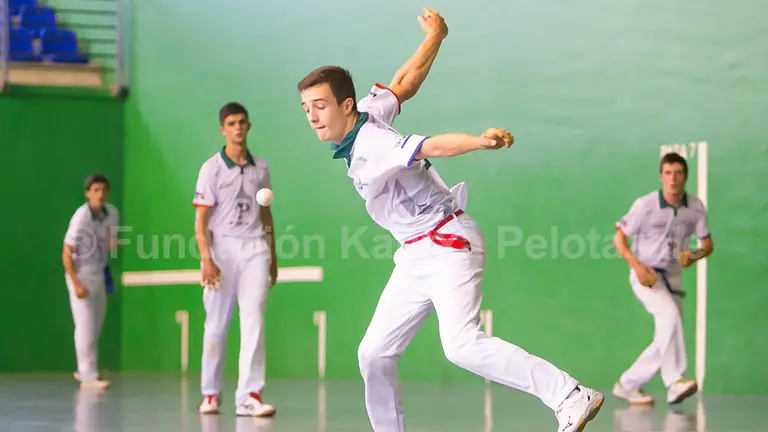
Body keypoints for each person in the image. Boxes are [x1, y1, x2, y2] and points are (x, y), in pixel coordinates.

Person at [296, 8, 603, 432]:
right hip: (415, 253)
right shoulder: (367, 112)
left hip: (446, 243)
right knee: (374, 353)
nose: (311, 115)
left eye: (320, 106)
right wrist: (435, 37)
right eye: (306, 107)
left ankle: (570, 395)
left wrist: (478, 142)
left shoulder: (372, 144)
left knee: (460, 345)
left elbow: (432, 147)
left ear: (344, 105)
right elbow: (404, 83)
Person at [192, 102, 278, 417]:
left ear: (249, 126)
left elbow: (266, 215)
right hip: (221, 251)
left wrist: (272, 257)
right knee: (216, 325)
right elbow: (201, 220)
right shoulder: (211, 168)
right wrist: (206, 259)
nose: (238, 127)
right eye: (231, 123)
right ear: (222, 129)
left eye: (242, 122)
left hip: (255, 247)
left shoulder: (262, 168)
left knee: (254, 318)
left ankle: (250, 395)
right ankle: (211, 394)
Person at [612, 151, 713, 406]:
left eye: (678, 174)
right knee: (669, 317)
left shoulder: (696, 207)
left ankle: (628, 384)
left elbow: (707, 245)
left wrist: (693, 256)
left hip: (673, 279)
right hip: (646, 274)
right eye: (668, 173)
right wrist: (637, 266)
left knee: (666, 335)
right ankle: (674, 382)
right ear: (661, 177)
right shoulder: (645, 205)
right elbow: (619, 238)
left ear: (685, 177)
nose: (673, 179)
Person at [63, 174, 118, 390]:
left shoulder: (112, 213)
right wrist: (76, 283)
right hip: (80, 275)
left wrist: (111, 243)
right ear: (87, 193)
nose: (100, 194)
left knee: (96, 325)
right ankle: (88, 375)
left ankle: (85, 368)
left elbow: (111, 240)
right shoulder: (81, 217)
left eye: (103, 190)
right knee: (85, 326)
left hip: (99, 274)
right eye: (95, 190)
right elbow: (66, 253)